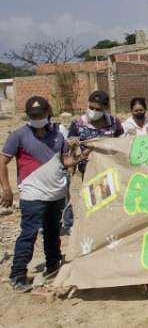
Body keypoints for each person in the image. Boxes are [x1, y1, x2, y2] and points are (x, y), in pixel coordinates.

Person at [0, 97, 87, 292]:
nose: (37, 118)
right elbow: (2, 162)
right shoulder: (19, 135)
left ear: (48, 111)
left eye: (40, 115)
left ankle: (53, 265)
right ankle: (18, 274)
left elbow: (64, 161)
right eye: (33, 116)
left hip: (55, 194)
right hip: (33, 195)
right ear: (28, 116)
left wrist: (78, 156)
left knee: (52, 231)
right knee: (29, 233)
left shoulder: (57, 134)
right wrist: (6, 189)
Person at [65, 90, 124, 233]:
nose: (94, 111)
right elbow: (69, 148)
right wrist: (73, 145)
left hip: (110, 170)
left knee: (110, 202)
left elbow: (123, 143)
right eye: (91, 108)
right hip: (89, 171)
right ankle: (94, 231)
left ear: (105, 108)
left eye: (98, 109)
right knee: (92, 202)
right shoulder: (79, 124)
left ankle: (110, 230)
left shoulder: (114, 123)